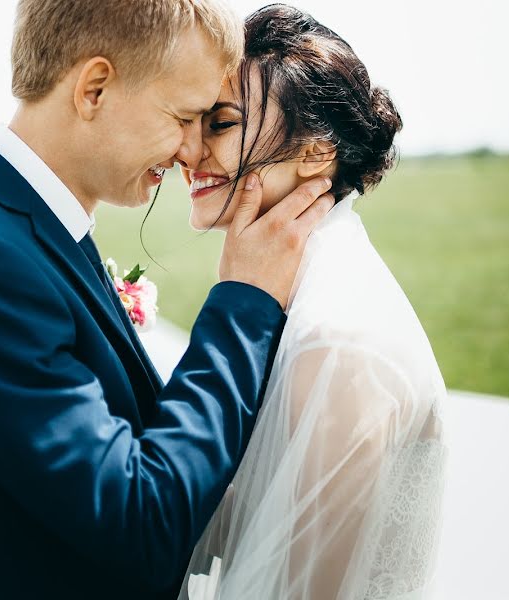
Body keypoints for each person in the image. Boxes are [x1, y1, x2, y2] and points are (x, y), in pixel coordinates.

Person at [0, 0, 334, 598]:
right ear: (93, 89)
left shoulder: (24, 230)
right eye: (185, 116)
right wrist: (244, 302)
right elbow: (139, 522)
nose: (193, 152)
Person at [178, 5, 448, 599]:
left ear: (316, 153)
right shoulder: (295, 295)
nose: (187, 152)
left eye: (221, 123)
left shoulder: (337, 345)